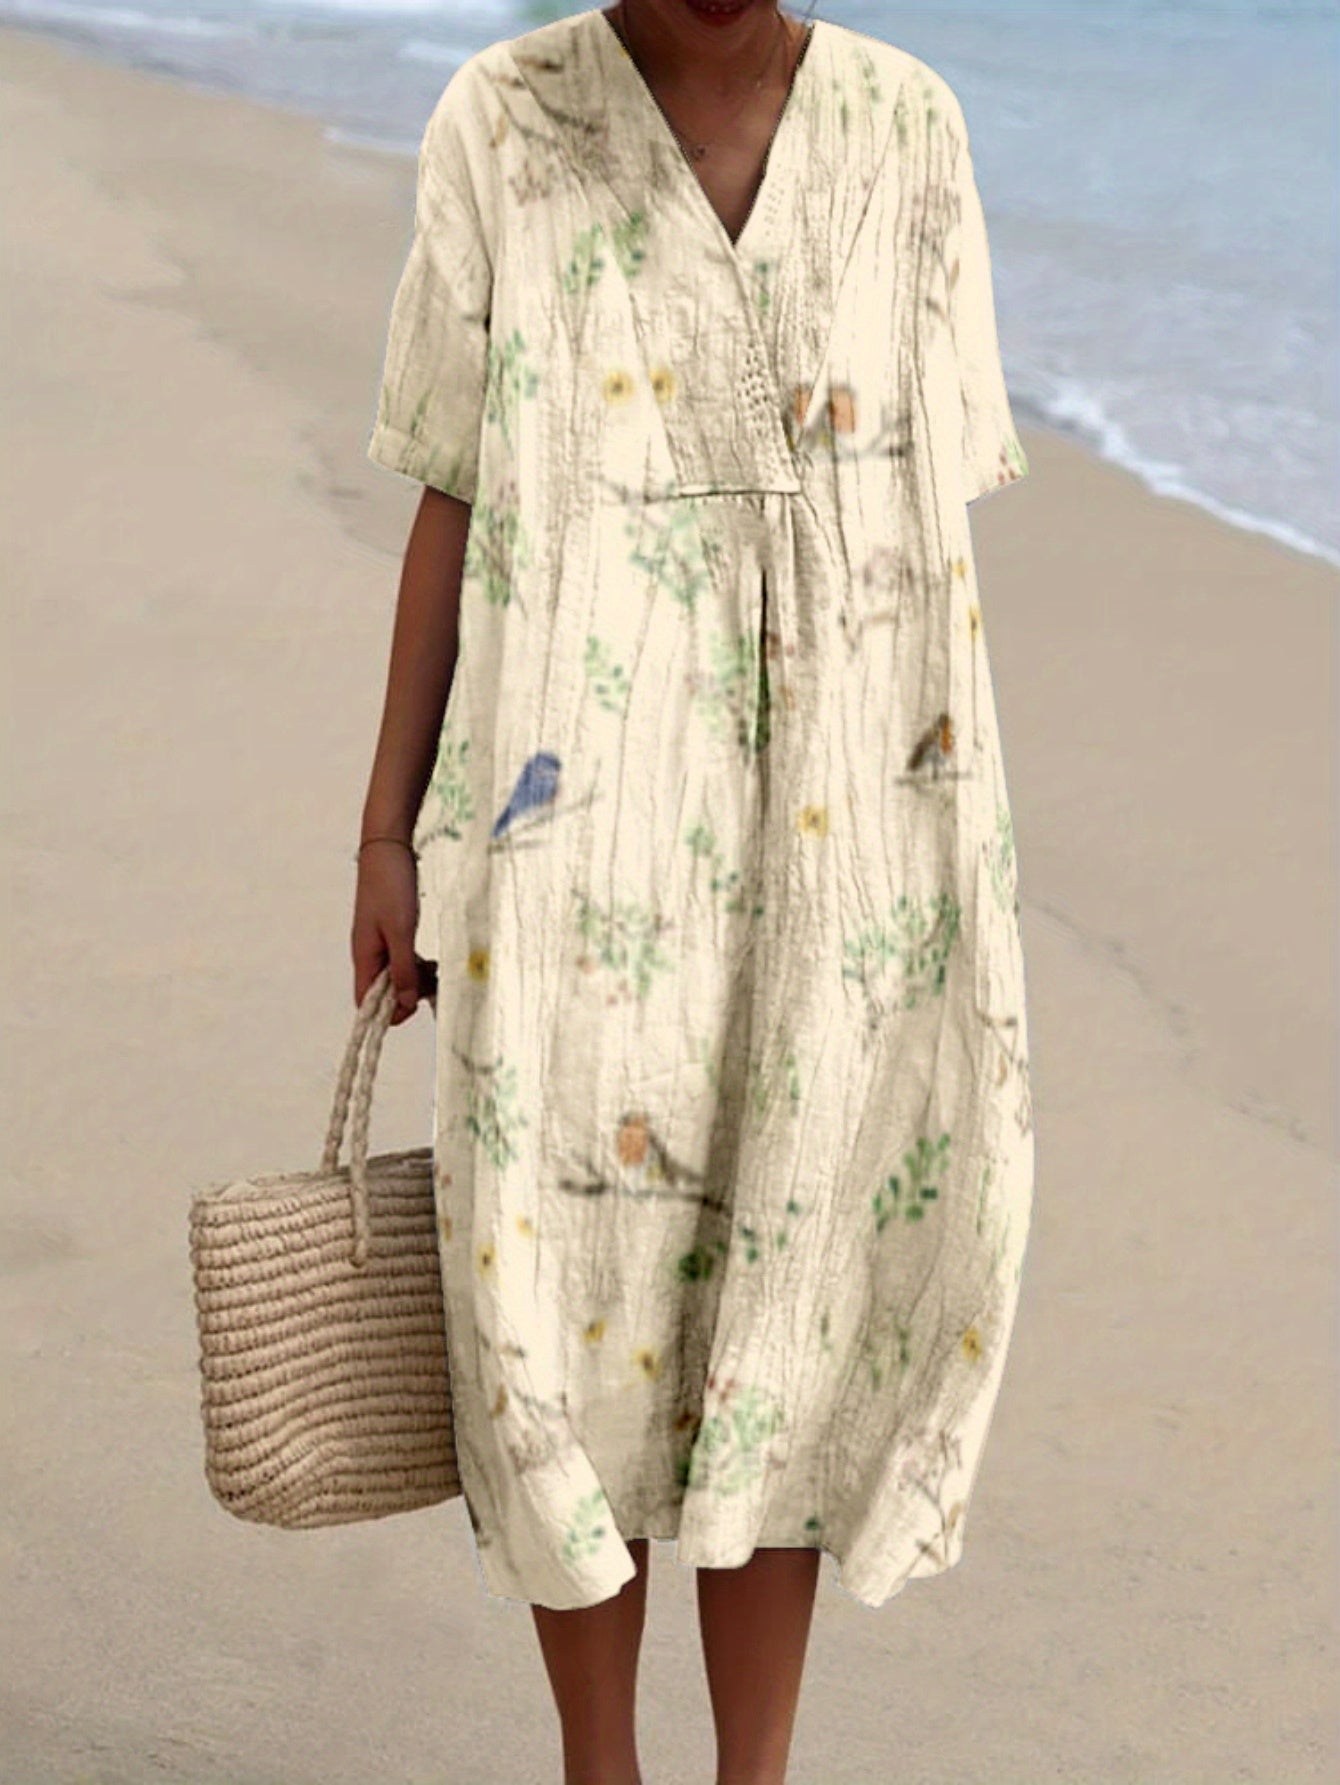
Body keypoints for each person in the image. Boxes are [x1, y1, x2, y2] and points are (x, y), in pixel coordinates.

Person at [356, 4, 1035, 1781]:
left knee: (788, 1286)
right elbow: (452, 487)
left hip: (843, 831)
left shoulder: (906, 130)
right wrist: (382, 833)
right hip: (566, 829)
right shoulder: (504, 119)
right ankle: (601, 1769)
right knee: (557, 1275)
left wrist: (942, 858)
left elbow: (926, 540)